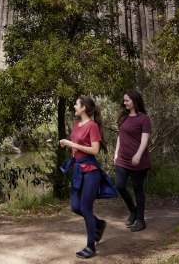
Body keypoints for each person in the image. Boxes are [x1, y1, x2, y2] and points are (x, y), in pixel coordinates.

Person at [59, 96, 116, 259]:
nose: (74, 106)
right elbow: (76, 148)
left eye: (76, 104)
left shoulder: (93, 126)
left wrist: (70, 144)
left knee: (85, 208)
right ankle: (98, 224)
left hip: (91, 172)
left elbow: (94, 150)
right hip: (78, 170)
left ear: (84, 108)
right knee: (75, 207)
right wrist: (70, 147)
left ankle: (91, 246)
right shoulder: (77, 125)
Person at [114, 90, 152, 232]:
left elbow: (145, 139)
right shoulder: (123, 117)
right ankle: (133, 210)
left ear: (135, 101)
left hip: (138, 161)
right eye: (124, 101)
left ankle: (140, 220)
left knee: (138, 189)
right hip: (122, 160)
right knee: (119, 185)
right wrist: (116, 153)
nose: (125, 103)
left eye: (127, 100)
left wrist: (138, 154)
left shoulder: (144, 119)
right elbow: (120, 136)